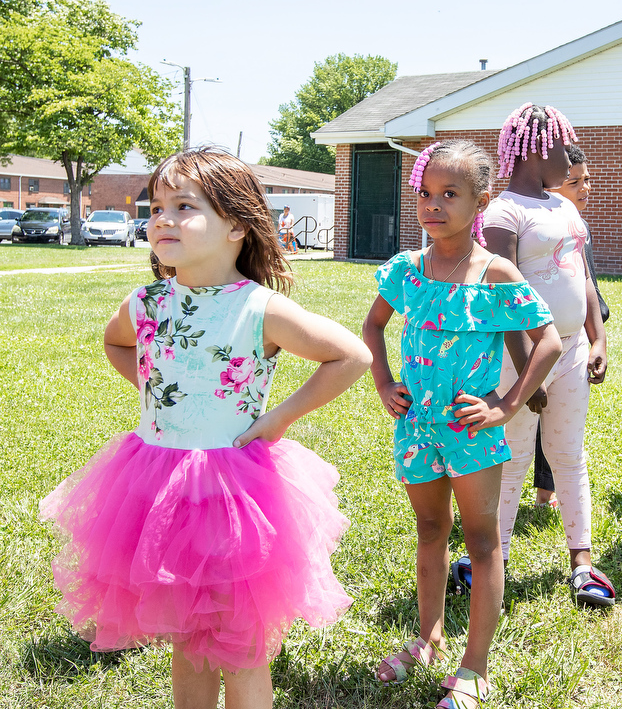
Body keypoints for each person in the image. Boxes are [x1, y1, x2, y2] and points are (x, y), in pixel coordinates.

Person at [39, 147, 372, 708]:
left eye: (184, 207)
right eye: (157, 206)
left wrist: (278, 418)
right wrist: (156, 393)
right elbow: (117, 342)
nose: (163, 219)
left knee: (241, 642)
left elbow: (352, 356)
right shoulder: (145, 303)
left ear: (236, 226)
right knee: (188, 640)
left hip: (235, 491)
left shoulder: (259, 308)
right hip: (156, 485)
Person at [363, 140, 560, 709]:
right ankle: (426, 638)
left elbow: (546, 342)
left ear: (481, 200)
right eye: (425, 194)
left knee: (481, 540)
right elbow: (373, 328)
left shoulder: (495, 273)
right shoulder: (406, 270)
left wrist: (506, 405)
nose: (434, 205)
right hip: (416, 428)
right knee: (429, 530)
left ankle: (475, 666)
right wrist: (383, 382)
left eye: (450, 194)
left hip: (473, 433)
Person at [477, 103, 616, 608]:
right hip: (520, 358)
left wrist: (596, 336)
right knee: (511, 457)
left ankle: (582, 560)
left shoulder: (565, 207)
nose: (570, 157)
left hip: (574, 349)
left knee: (568, 454)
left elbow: (582, 274)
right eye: (562, 147)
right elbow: (500, 298)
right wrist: (526, 380)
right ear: (537, 149)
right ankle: (495, 560)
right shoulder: (502, 213)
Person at [533, 144, 609, 509]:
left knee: (558, 426)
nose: (584, 187)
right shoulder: (531, 224)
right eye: (574, 181)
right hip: (532, 342)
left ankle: (546, 491)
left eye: (587, 179)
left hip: (573, 340)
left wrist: (598, 336)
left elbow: (586, 281)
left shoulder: (580, 226)